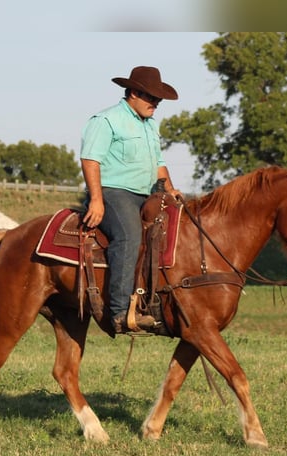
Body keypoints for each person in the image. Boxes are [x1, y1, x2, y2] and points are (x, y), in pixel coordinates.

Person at [80, 66, 180, 334]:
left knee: (174, 231)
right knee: (129, 236)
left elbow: (158, 163)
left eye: (158, 99)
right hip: (114, 193)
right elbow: (91, 159)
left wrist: (171, 189)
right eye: (152, 97)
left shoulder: (150, 125)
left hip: (146, 194)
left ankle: (157, 302)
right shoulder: (106, 120)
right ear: (133, 93)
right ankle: (121, 312)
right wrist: (97, 200)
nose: (156, 104)